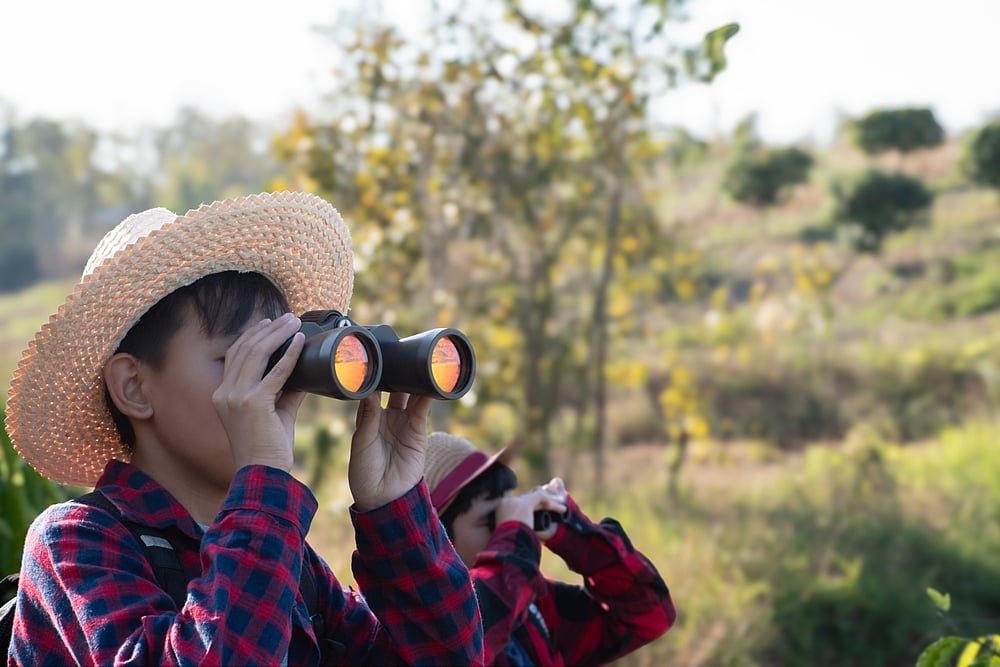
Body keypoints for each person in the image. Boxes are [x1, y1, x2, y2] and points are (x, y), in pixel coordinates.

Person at [4, 192, 484, 666]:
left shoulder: (282, 556)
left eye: (279, 361)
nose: (267, 389)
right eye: (240, 360)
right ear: (134, 387)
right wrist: (263, 482)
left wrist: (393, 510)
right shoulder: (77, 542)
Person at [423, 432, 677, 666]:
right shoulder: (423, 628)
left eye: (510, 510)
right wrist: (513, 539)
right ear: (438, 539)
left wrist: (570, 532)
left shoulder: (535, 609)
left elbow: (649, 614)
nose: (503, 529)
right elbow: (469, 638)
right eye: (491, 520)